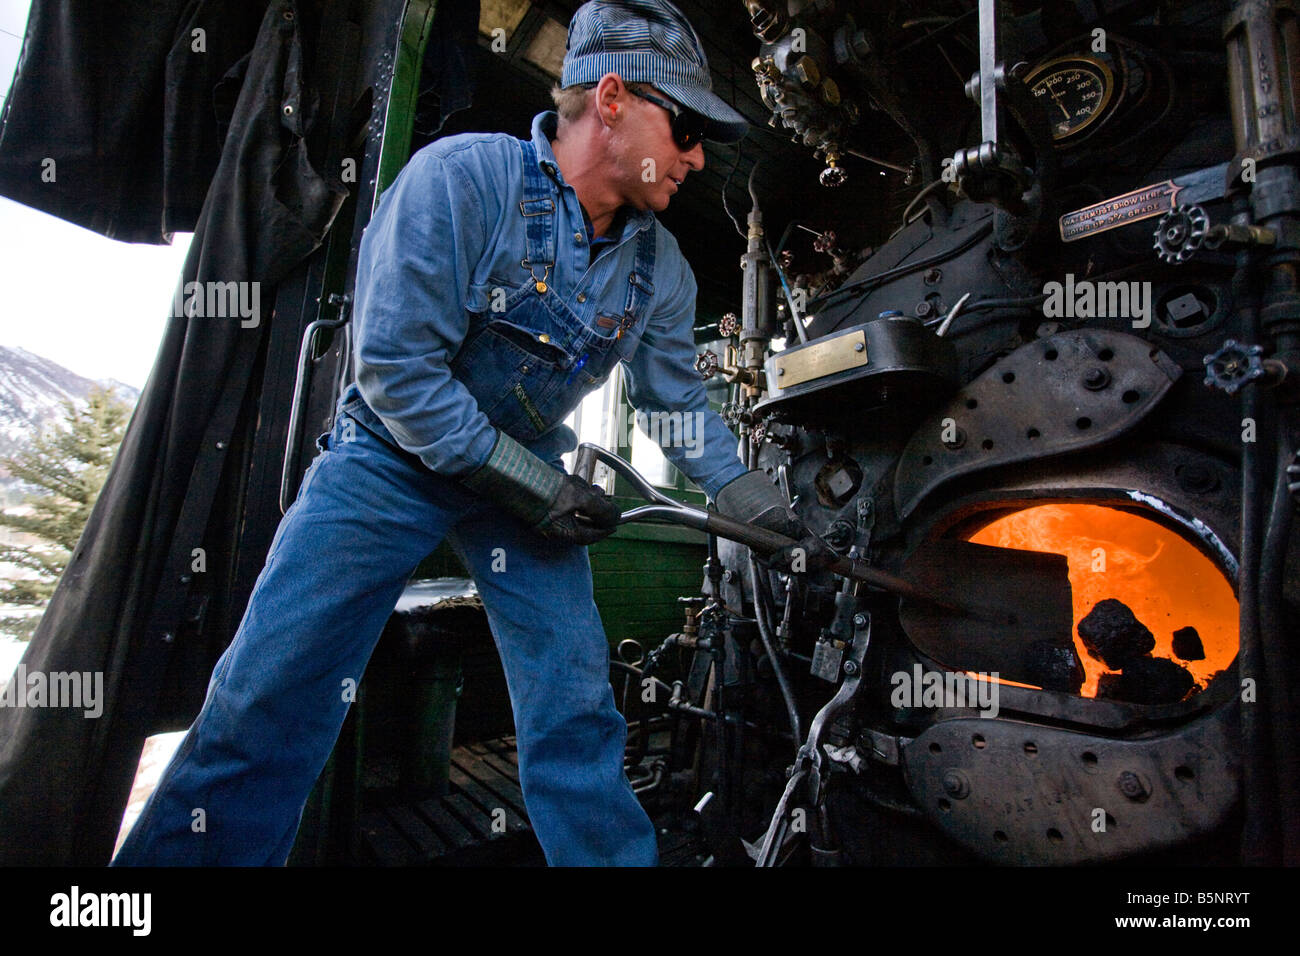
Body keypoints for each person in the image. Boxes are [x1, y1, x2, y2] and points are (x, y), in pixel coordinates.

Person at [112, 0, 810, 867]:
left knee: (574, 700)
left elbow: (673, 403)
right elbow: (398, 374)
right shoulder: (461, 181)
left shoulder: (658, 268)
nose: (699, 156)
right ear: (614, 99)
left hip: (526, 475)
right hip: (390, 458)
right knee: (272, 693)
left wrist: (754, 501)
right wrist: (536, 486)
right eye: (690, 127)